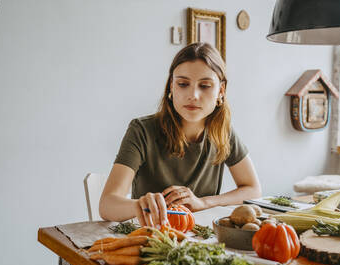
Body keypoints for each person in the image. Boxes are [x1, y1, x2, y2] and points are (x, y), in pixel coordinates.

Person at [99, 42, 261, 227]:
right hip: (151, 236)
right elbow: (107, 205)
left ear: (221, 91)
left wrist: (203, 203)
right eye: (183, 84)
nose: (193, 95)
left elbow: (253, 189)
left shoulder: (223, 133)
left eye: (205, 85)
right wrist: (140, 205)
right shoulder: (141, 130)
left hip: (202, 237)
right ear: (171, 87)